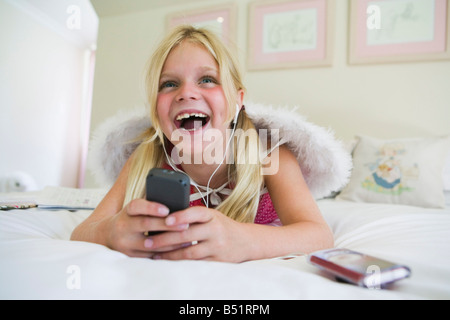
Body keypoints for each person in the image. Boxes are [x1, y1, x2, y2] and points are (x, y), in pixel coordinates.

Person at [71, 25, 333, 262]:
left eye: (207, 79)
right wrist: (111, 231)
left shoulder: (268, 154)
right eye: (169, 84)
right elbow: (83, 231)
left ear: (237, 100)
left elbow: (318, 235)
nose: (186, 93)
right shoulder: (146, 157)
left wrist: (245, 240)